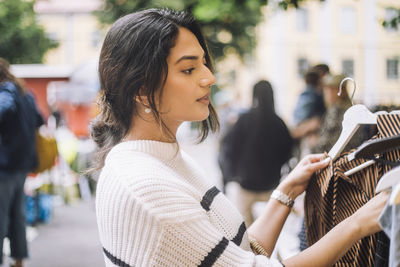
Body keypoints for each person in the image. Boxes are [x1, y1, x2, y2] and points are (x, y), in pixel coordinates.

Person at [92, 8, 388, 267]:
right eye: (188, 69)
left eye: (204, 64)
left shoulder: (163, 158)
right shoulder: (146, 188)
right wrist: (358, 223)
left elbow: (237, 254)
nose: (209, 77)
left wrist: (286, 192)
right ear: (142, 89)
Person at [220, 80, 293, 226]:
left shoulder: (244, 119)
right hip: (271, 186)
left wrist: (232, 174)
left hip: (246, 184)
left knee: (246, 231)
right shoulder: (279, 123)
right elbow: (287, 151)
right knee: (269, 227)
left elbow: (229, 147)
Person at [0, 58, 44, 267]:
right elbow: (39, 119)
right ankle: (18, 260)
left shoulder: (6, 93)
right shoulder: (26, 93)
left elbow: (4, 109)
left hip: (5, 165)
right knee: (17, 215)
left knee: (1, 215)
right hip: (23, 164)